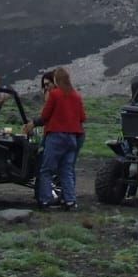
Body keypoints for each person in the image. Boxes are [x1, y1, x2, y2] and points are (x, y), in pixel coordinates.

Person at [24, 67, 86, 209]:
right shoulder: (76, 96)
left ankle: (45, 200)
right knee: (66, 169)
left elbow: (45, 116)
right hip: (72, 138)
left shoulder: (55, 95)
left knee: (46, 170)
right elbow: (83, 117)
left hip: (56, 136)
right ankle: (70, 201)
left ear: (56, 80)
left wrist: (34, 123)